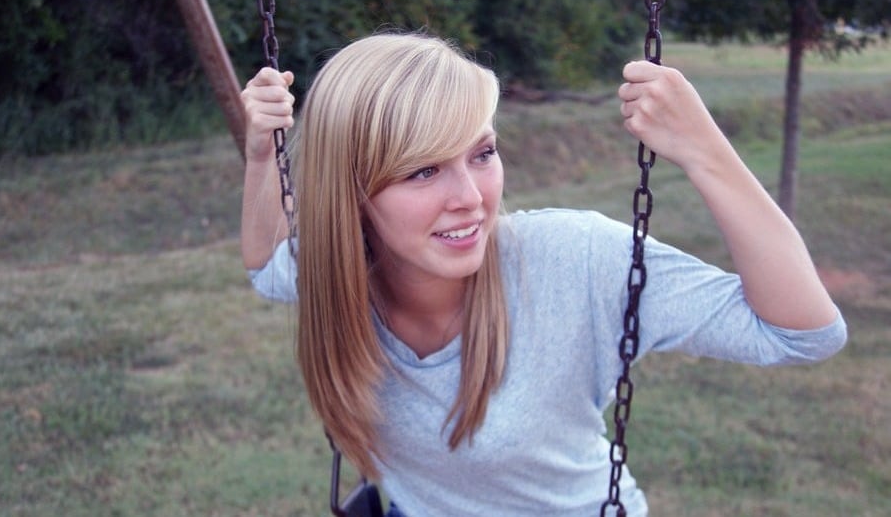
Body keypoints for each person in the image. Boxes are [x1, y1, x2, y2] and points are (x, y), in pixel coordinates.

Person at [239, 32, 847, 516]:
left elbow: (802, 332)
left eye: (482, 154)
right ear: (352, 193)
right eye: (423, 170)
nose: (471, 198)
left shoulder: (573, 259)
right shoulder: (338, 278)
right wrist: (262, 157)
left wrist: (704, 149)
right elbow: (267, 266)